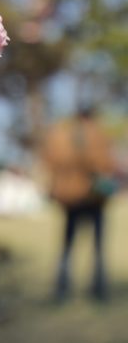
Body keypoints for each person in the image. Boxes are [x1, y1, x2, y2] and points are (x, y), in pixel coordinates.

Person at [42, 107, 117, 302]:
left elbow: (49, 161)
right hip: (94, 196)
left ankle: (62, 289)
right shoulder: (98, 134)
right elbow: (108, 164)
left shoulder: (59, 135)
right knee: (98, 245)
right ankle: (99, 289)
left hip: (69, 196)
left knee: (67, 244)